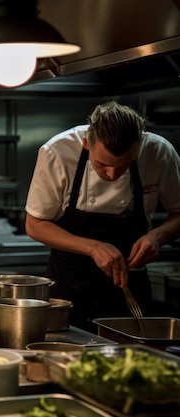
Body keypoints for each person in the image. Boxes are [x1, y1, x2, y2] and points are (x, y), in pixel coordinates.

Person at [25, 101, 180, 332]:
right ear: (87, 143)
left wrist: (157, 236)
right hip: (68, 286)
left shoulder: (159, 152)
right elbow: (35, 224)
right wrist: (94, 248)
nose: (112, 174)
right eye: (103, 164)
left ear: (138, 147)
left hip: (129, 285)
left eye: (124, 165)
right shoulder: (57, 151)